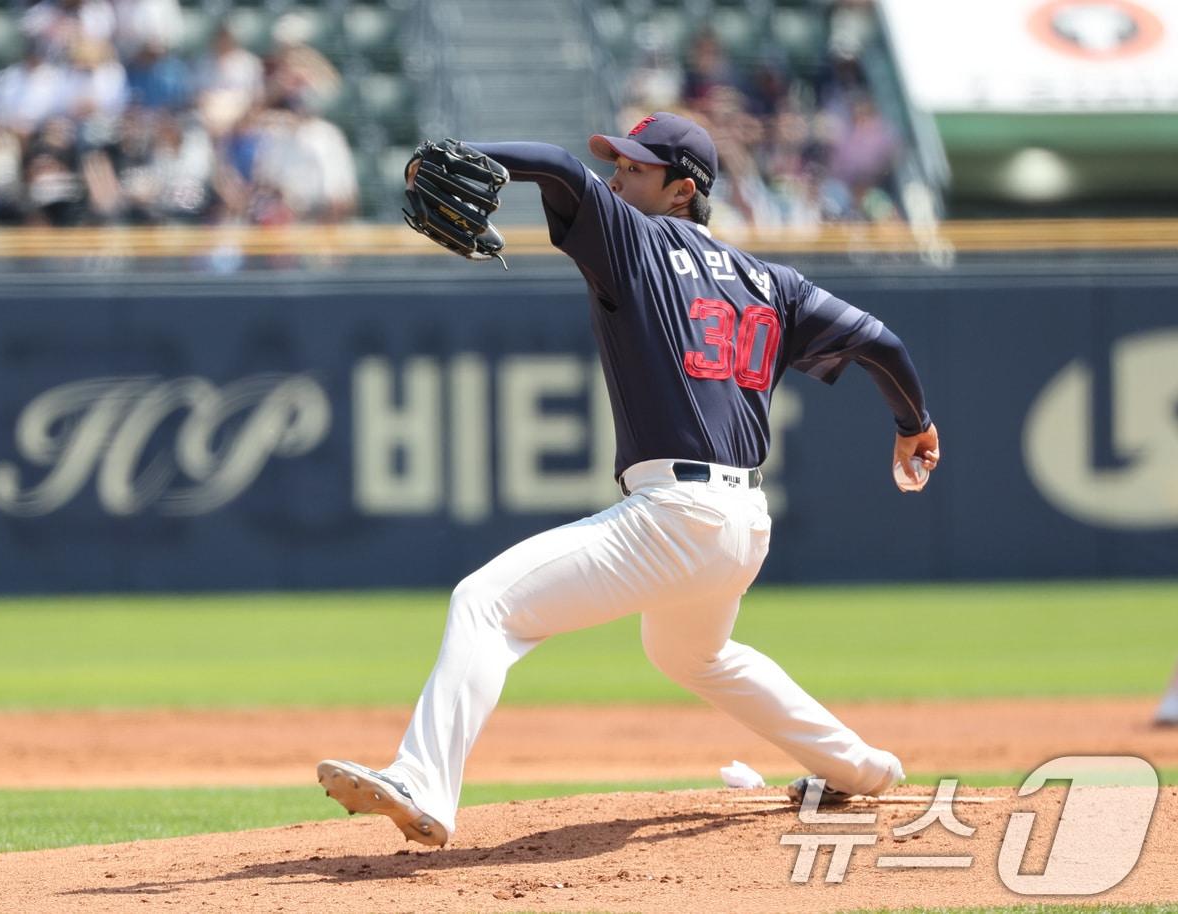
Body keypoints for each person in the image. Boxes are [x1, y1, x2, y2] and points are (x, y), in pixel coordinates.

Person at [317, 112, 939, 846]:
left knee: (485, 602)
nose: (617, 176)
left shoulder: (636, 239)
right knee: (689, 652)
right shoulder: (774, 282)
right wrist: (913, 424)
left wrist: (454, 155)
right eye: (617, 163)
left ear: (683, 190)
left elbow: (550, 160)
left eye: (636, 168)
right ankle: (860, 768)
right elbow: (881, 341)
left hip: (677, 513)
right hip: (742, 525)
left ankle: (422, 782)